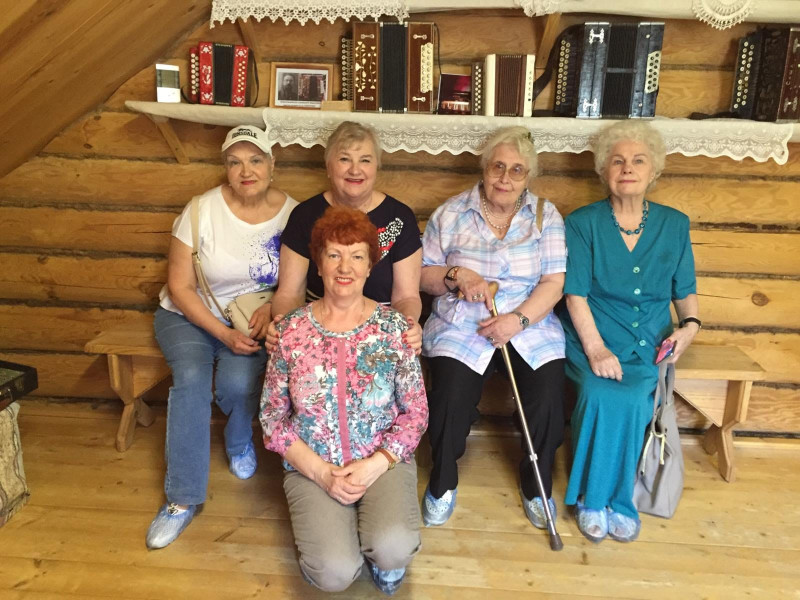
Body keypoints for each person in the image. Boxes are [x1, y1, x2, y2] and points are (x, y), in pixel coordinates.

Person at [260, 205, 428, 595]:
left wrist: (375, 464)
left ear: (370, 267)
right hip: (313, 464)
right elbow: (272, 419)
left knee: (393, 547)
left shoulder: (394, 328)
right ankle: (335, 543)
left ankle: (382, 554)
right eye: (334, 255)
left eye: (357, 256)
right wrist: (320, 473)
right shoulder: (290, 331)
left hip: (381, 460)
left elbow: (416, 412)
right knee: (334, 573)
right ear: (318, 264)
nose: (344, 267)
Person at [145, 125, 298, 549]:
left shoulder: (294, 214)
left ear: (272, 164)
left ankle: (238, 438)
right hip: (188, 317)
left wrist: (275, 307)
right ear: (225, 168)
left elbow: (298, 280)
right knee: (192, 380)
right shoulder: (200, 210)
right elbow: (179, 287)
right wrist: (222, 334)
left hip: (251, 320)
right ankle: (181, 499)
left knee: (239, 384)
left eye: (255, 160)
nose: (246, 171)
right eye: (235, 162)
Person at [419, 126, 567, 531]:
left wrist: (517, 320)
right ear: (484, 169)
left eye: (517, 170)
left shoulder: (545, 215)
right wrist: (456, 275)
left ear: (528, 176)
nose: (505, 177)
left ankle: (536, 483)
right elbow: (422, 275)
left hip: (529, 323)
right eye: (497, 167)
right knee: (450, 395)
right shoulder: (450, 213)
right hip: (462, 323)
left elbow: (554, 282)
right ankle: (442, 480)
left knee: (548, 395)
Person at [562, 120, 700, 543]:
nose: (627, 168)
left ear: (653, 170)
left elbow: (685, 293)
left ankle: (620, 501)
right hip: (593, 338)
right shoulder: (582, 223)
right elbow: (575, 295)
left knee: (637, 400)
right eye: (617, 161)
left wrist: (689, 329)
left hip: (650, 345)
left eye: (638, 160)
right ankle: (592, 499)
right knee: (599, 392)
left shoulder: (674, 225)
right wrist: (596, 350)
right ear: (603, 170)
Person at [267, 121, 423, 353]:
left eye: (365, 160)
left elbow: (406, 297)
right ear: (328, 166)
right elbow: (290, 293)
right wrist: (287, 326)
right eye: (344, 159)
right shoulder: (304, 216)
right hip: (318, 332)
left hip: (381, 336)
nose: (355, 170)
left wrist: (406, 327)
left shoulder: (400, 217)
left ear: (377, 167)